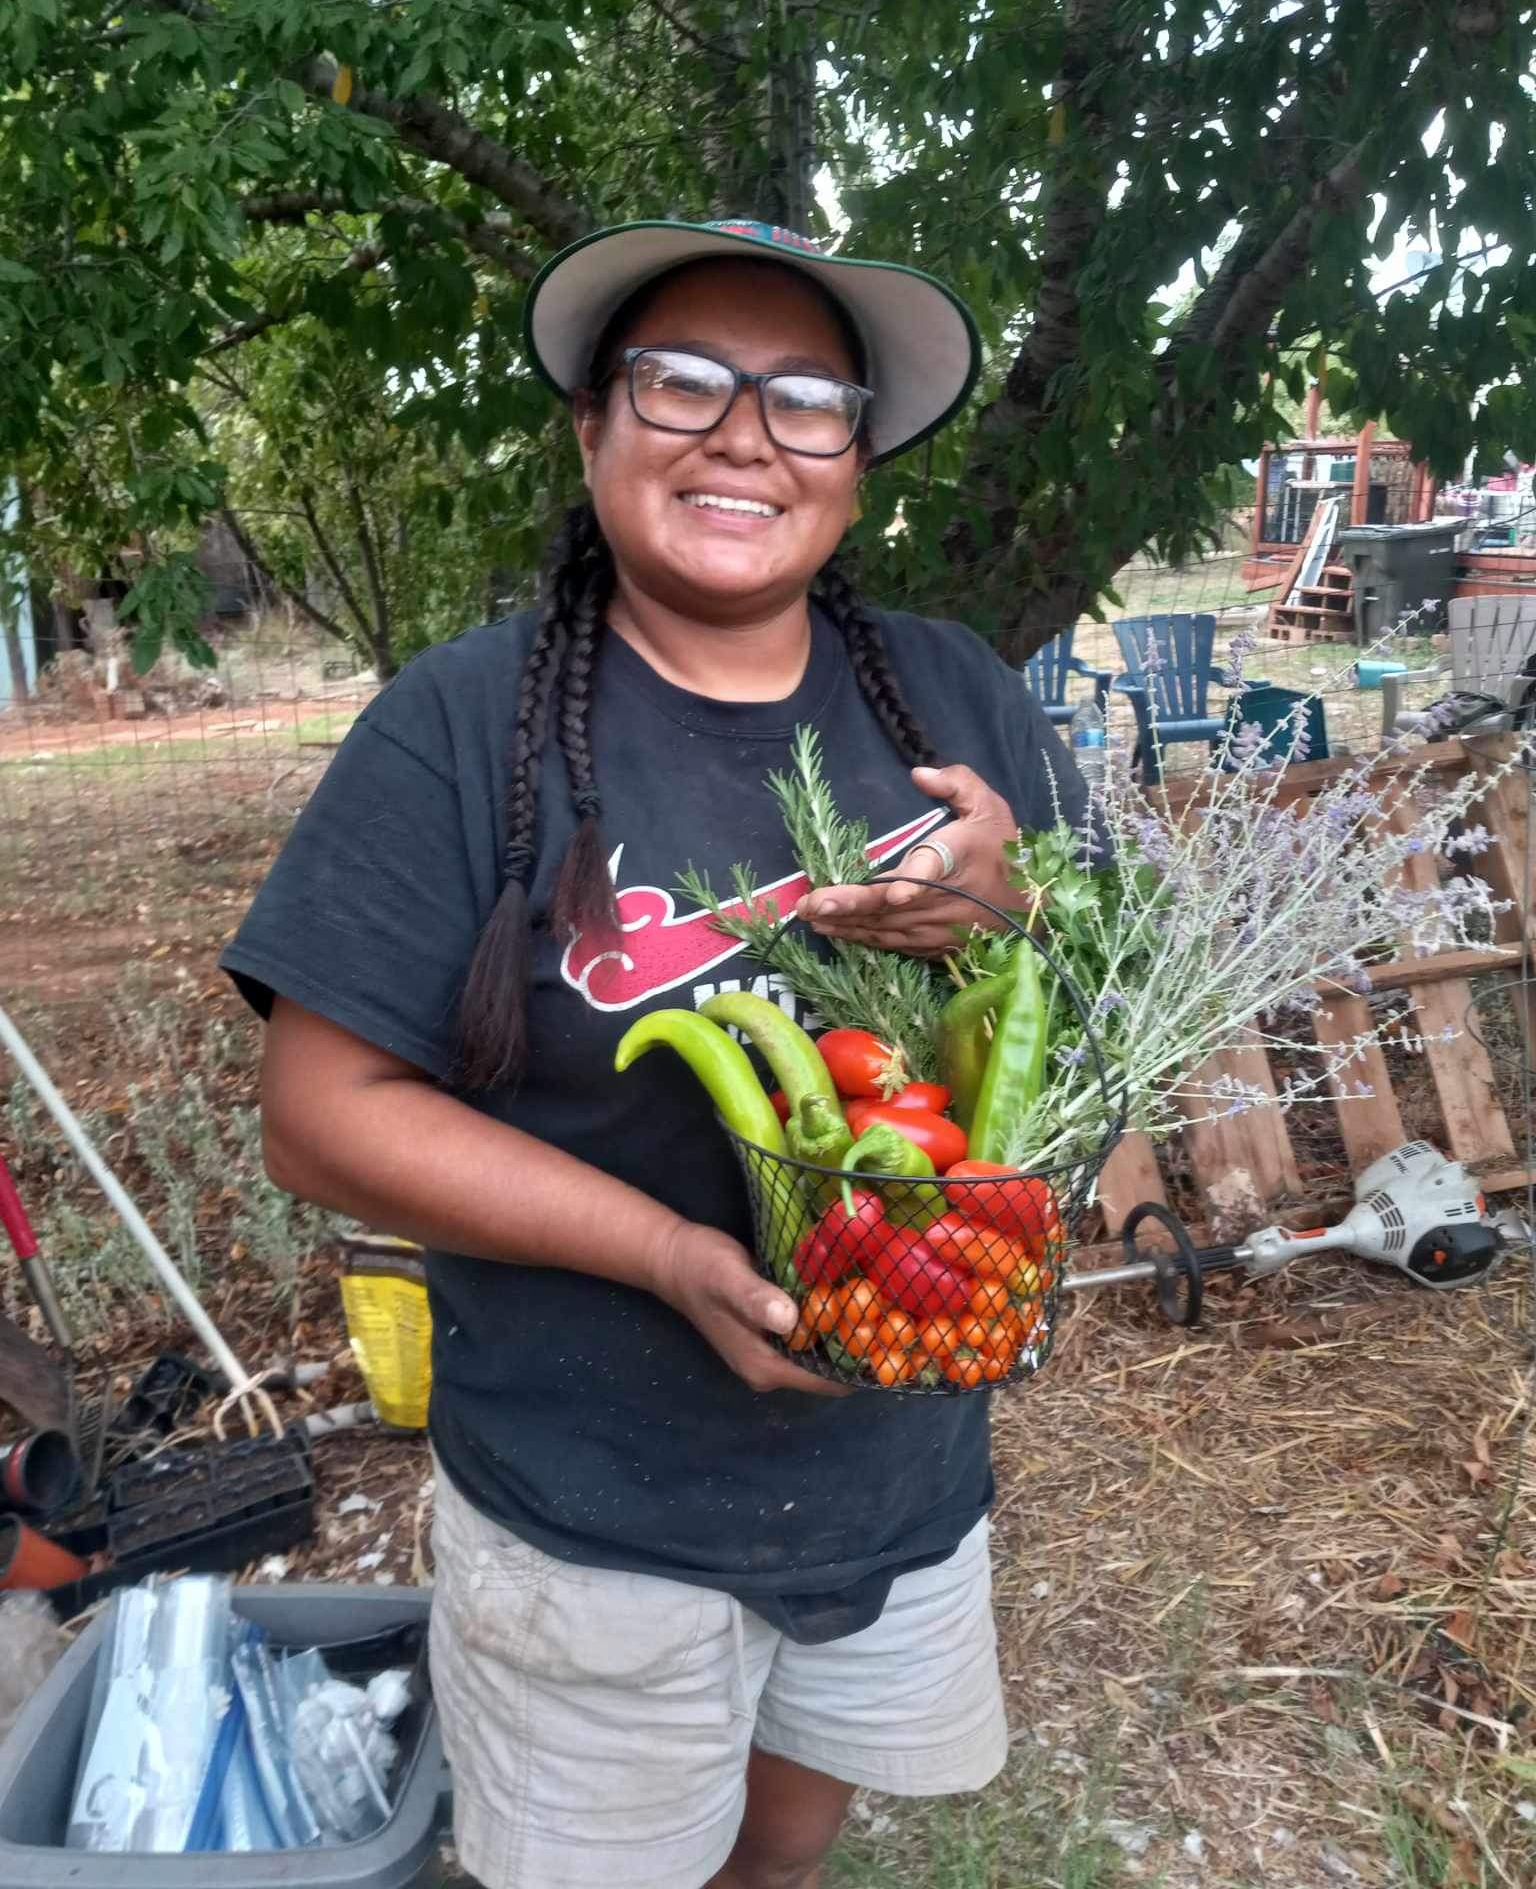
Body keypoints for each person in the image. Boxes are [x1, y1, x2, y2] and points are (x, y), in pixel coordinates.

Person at [223, 216, 1089, 1889]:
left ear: (856, 460)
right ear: (594, 427)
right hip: (592, 1508)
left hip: (892, 1474)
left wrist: (1018, 921)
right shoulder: (463, 727)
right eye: (681, 381)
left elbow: (1103, 1036)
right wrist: (672, 1254)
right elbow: (319, 1118)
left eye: (807, 399)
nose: (745, 431)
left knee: (780, 1860)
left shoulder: (959, 697)